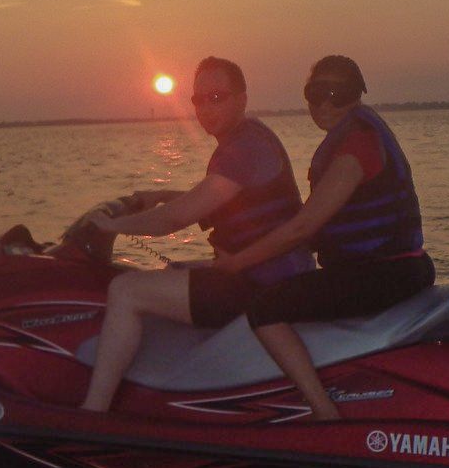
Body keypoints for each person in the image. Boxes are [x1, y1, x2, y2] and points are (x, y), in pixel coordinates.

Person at [78, 57, 314, 412]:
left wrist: (112, 226)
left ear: (242, 99)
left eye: (217, 97)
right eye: (198, 100)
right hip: (261, 272)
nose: (205, 108)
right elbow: (213, 202)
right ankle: (167, 395)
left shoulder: (244, 148)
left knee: (124, 290)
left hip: (259, 283)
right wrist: (157, 196)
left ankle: (93, 413)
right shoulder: (247, 139)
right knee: (172, 274)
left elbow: (176, 219)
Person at [213, 55, 433, 420]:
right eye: (316, 93)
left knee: (265, 310)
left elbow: (304, 227)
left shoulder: (357, 144)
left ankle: (323, 412)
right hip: (386, 269)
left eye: (339, 93)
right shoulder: (351, 134)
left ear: (357, 95)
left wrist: (233, 265)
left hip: (384, 274)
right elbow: (318, 226)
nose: (326, 103)